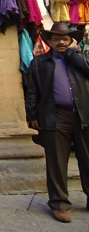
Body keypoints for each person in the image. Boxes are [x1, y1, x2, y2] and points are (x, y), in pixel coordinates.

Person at [25, 22, 89, 223]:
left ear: (71, 41)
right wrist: (32, 115)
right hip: (55, 116)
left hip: (84, 115)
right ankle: (59, 204)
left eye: (64, 39)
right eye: (56, 38)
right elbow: (32, 91)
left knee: (87, 159)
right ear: (49, 42)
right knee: (56, 162)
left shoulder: (83, 58)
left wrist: (71, 54)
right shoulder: (39, 63)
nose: (60, 42)